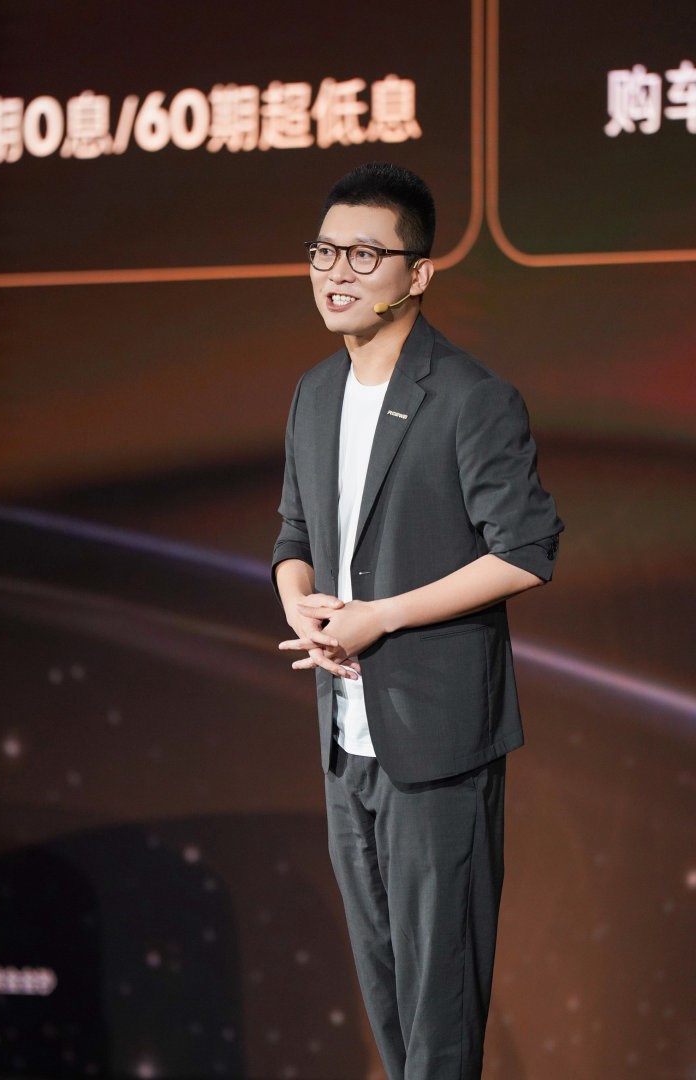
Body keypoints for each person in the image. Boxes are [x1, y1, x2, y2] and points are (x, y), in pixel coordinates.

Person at [272, 162, 563, 1080]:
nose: (337, 273)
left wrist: (382, 618)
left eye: (364, 255)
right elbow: (294, 533)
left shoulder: (471, 397)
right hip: (345, 741)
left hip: (437, 747)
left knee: (440, 1016)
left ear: (419, 273)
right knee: (388, 1004)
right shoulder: (315, 393)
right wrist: (300, 604)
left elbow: (527, 549)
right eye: (324, 252)